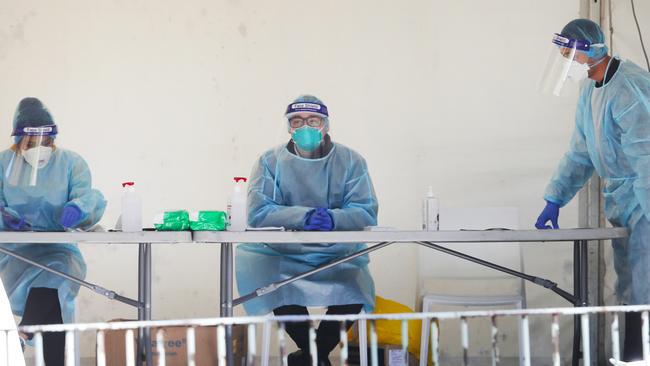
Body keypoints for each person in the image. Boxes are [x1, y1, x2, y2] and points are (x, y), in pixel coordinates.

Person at [535, 19, 650, 361]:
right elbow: (581, 152)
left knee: (646, 289)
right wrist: (554, 197)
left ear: (590, 51)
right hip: (623, 202)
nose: (565, 60)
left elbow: (648, 157)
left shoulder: (631, 88)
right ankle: (633, 358)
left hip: (644, 200)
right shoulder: (590, 92)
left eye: (568, 52)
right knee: (629, 289)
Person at [236, 95, 378, 366]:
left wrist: (334, 219)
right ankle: (318, 358)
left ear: (325, 124)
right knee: (275, 286)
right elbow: (257, 212)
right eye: (297, 122)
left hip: (337, 253)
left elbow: (365, 210)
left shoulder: (351, 161)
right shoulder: (269, 161)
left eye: (313, 121)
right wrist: (304, 216)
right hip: (284, 253)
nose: (305, 127)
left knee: (354, 290)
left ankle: (310, 357)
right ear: (289, 127)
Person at [0, 97, 106, 365]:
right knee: (52, 296)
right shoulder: (4, 164)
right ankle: (30, 334)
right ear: (19, 140)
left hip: (60, 249)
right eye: (31, 143)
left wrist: (79, 210)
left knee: (55, 275)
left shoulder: (71, 163)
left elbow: (88, 197)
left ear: (53, 139)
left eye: (44, 142)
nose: (39, 148)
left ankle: (23, 333)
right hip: (16, 253)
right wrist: (5, 218)